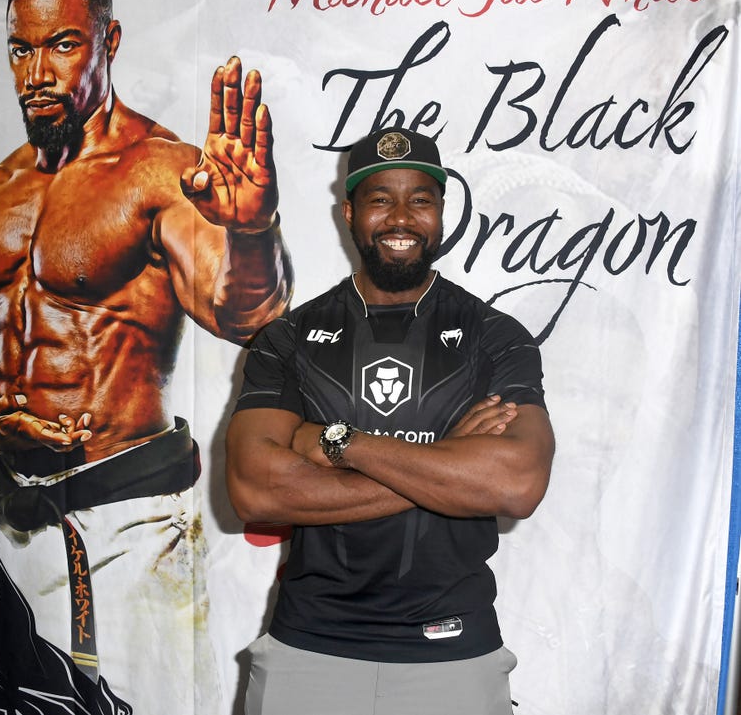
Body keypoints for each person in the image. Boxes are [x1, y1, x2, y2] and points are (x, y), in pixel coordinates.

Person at [0, 0, 291, 712]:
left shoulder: (162, 174)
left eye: (62, 44)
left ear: (109, 41)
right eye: (21, 47)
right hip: (9, 521)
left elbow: (246, 317)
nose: (36, 72)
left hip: (131, 524)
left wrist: (250, 233)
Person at [226, 127, 554, 715]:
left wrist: (338, 443)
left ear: (441, 212)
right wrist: (448, 462)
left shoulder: (495, 336)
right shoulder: (286, 338)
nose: (401, 218)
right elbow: (256, 489)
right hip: (309, 654)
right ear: (349, 212)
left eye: (420, 200)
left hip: (454, 657)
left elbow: (515, 484)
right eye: (380, 200)